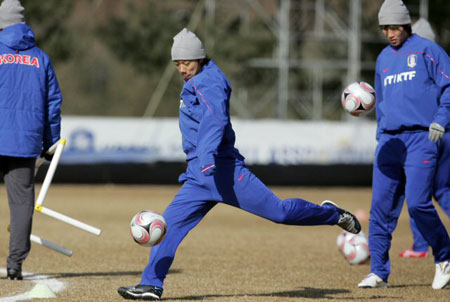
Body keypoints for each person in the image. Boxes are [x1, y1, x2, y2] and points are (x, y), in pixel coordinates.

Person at [118, 28, 361, 300]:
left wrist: (208, 157)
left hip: (222, 169)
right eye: (177, 64)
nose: (182, 69)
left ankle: (331, 214)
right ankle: (151, 285)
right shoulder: (194, 81)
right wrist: (201, 163)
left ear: (199, 57)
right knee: (169, 226)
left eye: (186, 62)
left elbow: (216, 120)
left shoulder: (209, 81)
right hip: (199, 175)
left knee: (279, 213)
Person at [358, 0, 450, 290]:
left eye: (394, 27)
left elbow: (449, 86)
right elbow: (381, 102)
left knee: (419, 201)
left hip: (422, 138)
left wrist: (441, 118)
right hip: (389, 141)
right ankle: (379, 271)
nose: (390, 33)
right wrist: (380, 135)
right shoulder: (384, 59)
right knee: (380, 208)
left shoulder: (429, 50)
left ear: (406, 24)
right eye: (385, 28)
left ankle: (445, 258)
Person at [0, 0, 63, 280]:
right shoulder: (41, 58)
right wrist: (51, 143)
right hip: (25, 143)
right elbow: (53, 105)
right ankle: (15, 264)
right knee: (22, 203)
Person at [398, 17, 450, 259]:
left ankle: (420, 246)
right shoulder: (441, 61)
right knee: (441, 190)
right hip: (446, 134)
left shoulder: (418, 66)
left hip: (428, 136)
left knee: (416, 191)